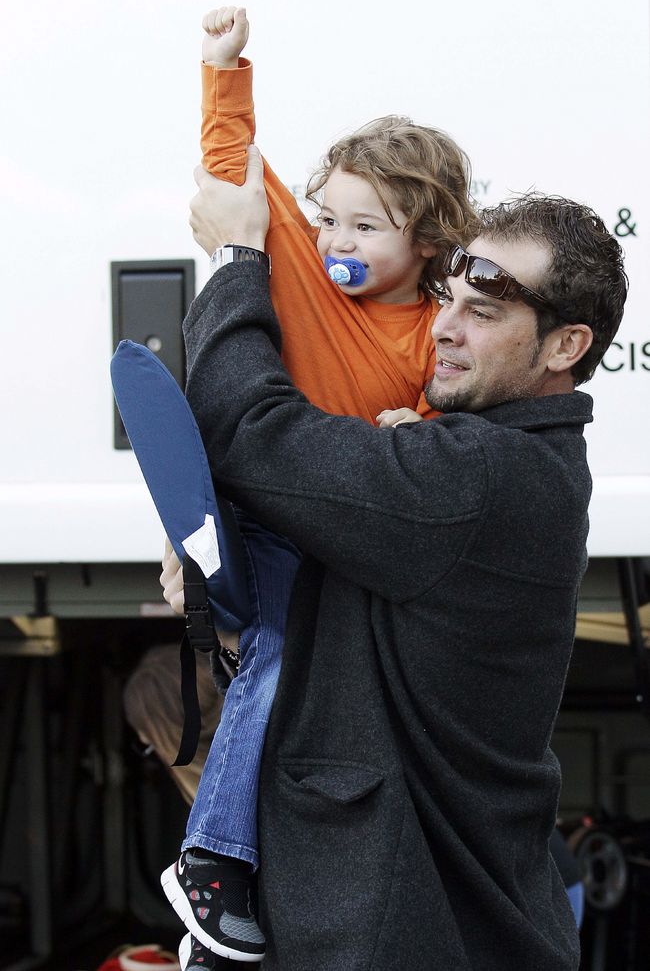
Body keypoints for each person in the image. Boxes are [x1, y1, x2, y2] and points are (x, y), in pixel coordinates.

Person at [160, 149, 627, 970]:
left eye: (485, 312)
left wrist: (238, 258)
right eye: (449, 298)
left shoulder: (479, 479)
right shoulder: (503, 465)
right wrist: (219, 569)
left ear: (567, 346)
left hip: (402, 932)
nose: (444, 326)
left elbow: (250, 429)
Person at [160, 5, 478, 965]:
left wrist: (419, 428)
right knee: (280, 653)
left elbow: (450, 419)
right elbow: (230, 165)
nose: (337, 237)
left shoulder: (434, 333)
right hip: (268, 511)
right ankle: (213, 858)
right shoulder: (296, 256)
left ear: (429, 241)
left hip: (345, 531)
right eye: (330, 215)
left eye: (367, 226)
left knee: (318, 682)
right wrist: (224, 66)